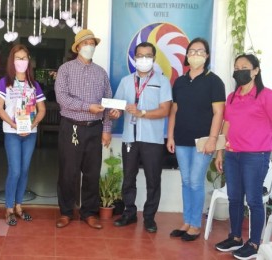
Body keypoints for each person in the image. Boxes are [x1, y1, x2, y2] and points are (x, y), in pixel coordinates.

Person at [54, 29, 118, 229]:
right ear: (78, 47)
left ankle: (88, 213)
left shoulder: (101, 72)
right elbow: (62, 98)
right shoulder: (65, 69)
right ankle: (65, 212)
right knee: (68, 171)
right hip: (71, 127)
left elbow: (108, 102)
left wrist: (107, 128)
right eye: (86, 43)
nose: (90, 46)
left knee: (92, 172)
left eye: (92, 43)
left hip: (94, 129)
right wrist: (87, 106)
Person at [167, 37, 225, 241]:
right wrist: (170, 136)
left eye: (200, 51)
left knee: (195, 181)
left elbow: (219, 113)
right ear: (187, 55)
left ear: (207, 56)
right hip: (181, 139)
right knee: (185, 181)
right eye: (192, 51)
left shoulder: (214, 81)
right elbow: (174, 110)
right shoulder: (180, 81)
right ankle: (187, 221)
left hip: (203, 141)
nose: (196, 55)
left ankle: (196, 225)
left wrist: (212, 139)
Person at [214, 54, 272, 259]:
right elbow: (226, 125)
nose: (239, 71)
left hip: (255, 156)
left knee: (254, 200)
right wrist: (220, 152)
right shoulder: (232, 97)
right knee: (234, 198)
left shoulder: (266, 95)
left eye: (245, 67)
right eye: (236, 67)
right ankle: (235, 237)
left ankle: (255, 243)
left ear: (255, 70)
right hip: (232, 155)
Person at [111, 42, 172, 233]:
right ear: (134, 58)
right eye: (139, 55)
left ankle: (149, 218)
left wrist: (142, 112)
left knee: (153, 180)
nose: (143, 59)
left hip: (153, 140)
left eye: (147, 55)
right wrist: (115, 113)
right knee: (128, 178)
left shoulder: (162, 81)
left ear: (153, 59)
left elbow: (165, 110)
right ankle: (129, 213)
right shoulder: (126, 81)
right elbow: (119, 107)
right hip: (130, 137)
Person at [0, 44, 46, 226]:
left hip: (30, 133)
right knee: (15, 170)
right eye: (18, 58)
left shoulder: (34, 85)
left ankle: (19, 206)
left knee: (24, 171)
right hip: (12, 133)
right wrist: (13, 124)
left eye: (24, 58)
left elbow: (42, 109)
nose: (21, 61)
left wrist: (32, 124)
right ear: (12, 61)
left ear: (29, 61)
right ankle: (8, 209)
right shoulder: (5, 82)